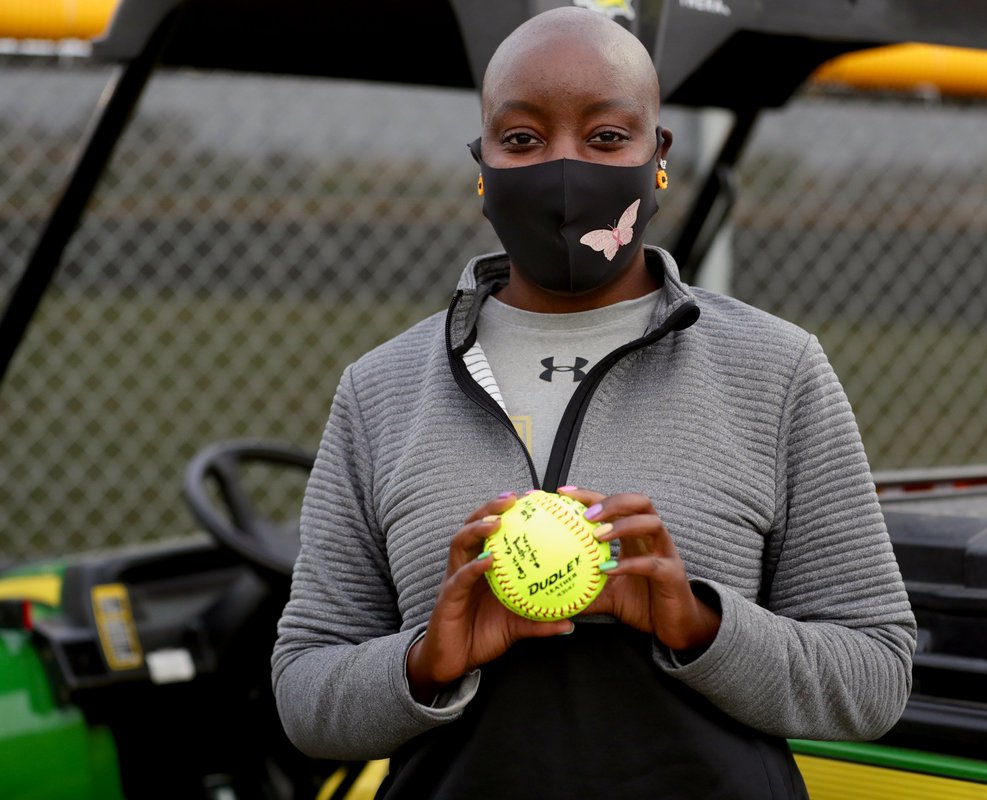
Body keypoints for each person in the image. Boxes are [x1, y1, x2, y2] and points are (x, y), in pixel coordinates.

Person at [271, 7, 916, 799]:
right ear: (483, 163)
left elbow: (878, 674)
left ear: (658, 155)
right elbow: (304, 691)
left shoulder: (775, 367)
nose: (565, 168)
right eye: (523, 138)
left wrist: (702, 626)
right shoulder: (381, 386)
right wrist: (422, 660)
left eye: (607, 136)